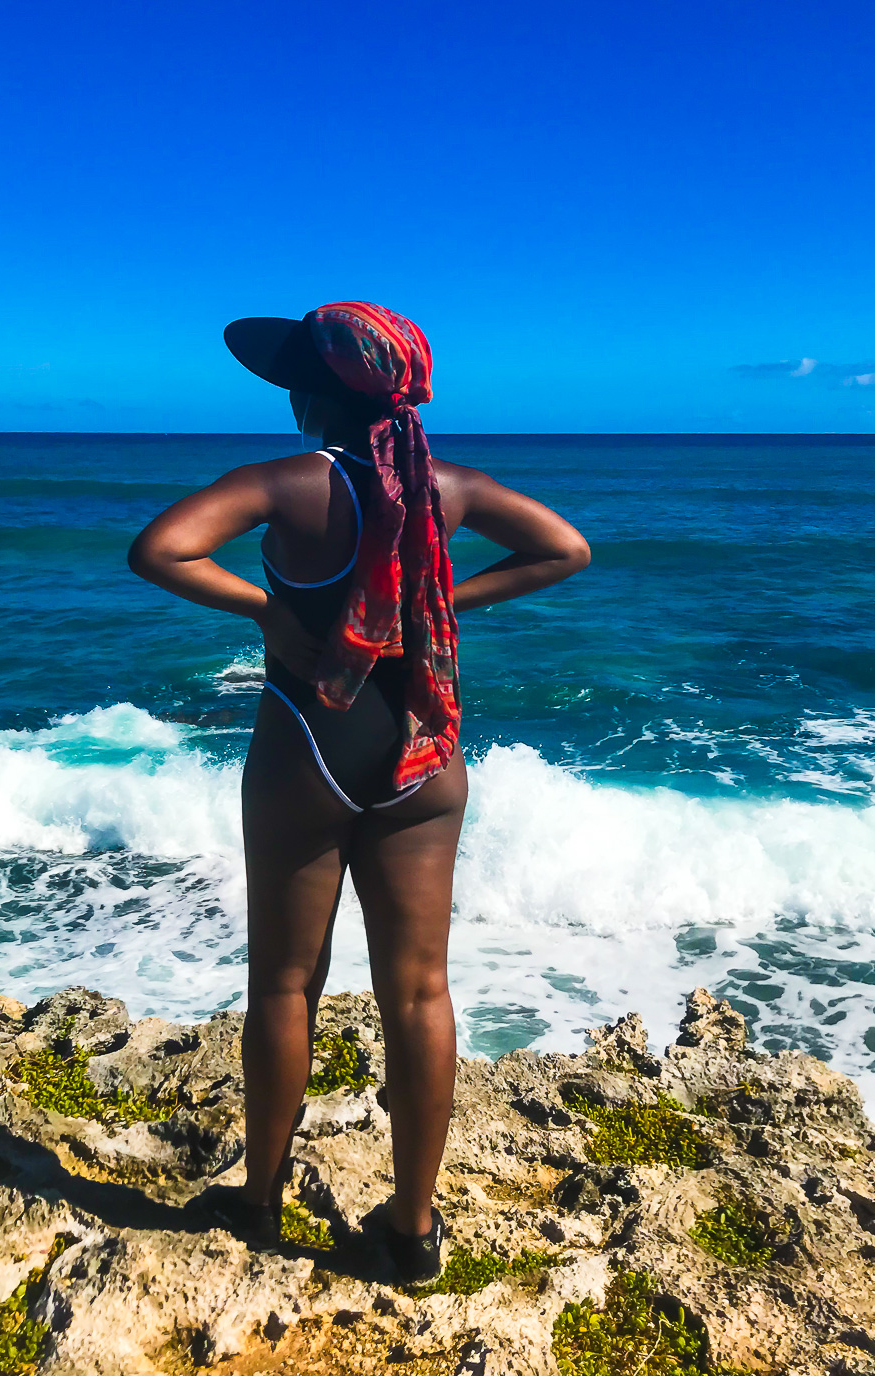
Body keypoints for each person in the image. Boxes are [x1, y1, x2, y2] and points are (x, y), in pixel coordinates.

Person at [128, 302, 589, 1281]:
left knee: (285, 981)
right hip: (424, 750)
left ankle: (257, 1201)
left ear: (314, 394)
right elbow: (564, 548)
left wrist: (272, 612)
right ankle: (413, 1230)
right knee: (419, 989)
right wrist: (437, 604)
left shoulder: (286, 482)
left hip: (307, 741)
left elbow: (160, 548)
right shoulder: (448, 488)